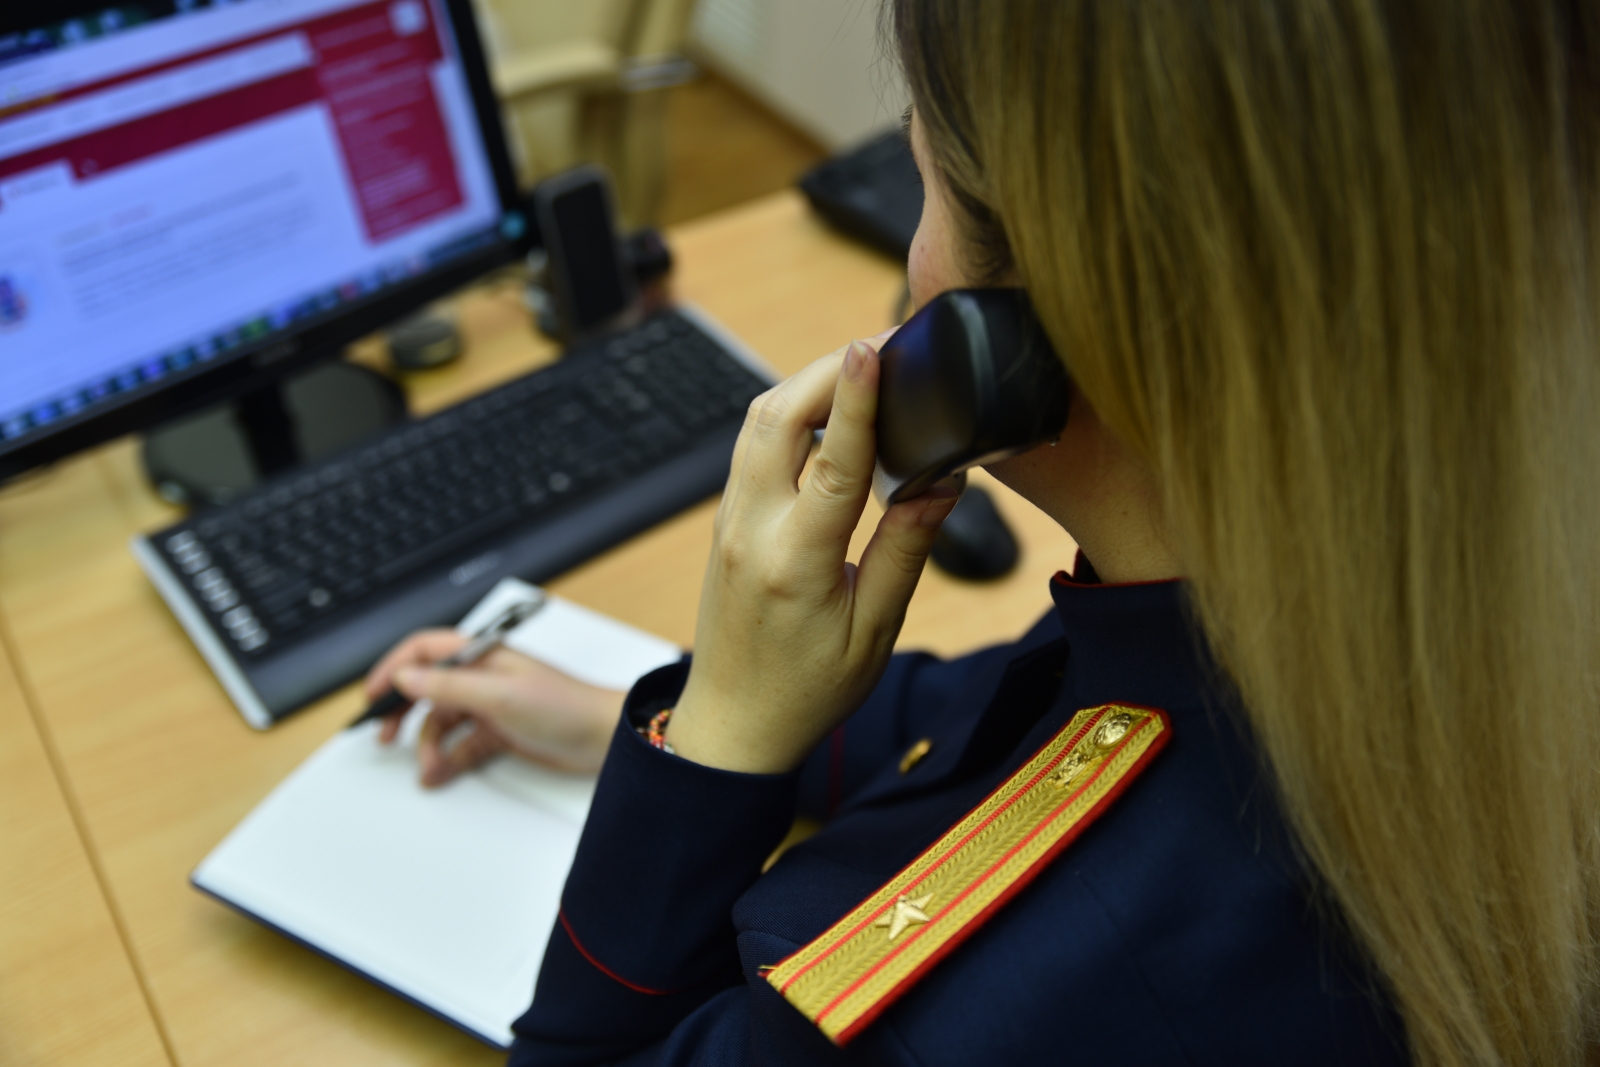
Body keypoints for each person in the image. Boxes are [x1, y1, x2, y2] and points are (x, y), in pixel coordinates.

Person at [366, 1, 1600, 1063]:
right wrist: (635, 721)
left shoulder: (956, 1009)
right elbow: (1016, 708)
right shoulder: (1383, 580)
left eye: (926, 188)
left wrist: (720, 739)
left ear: (1039, 316)